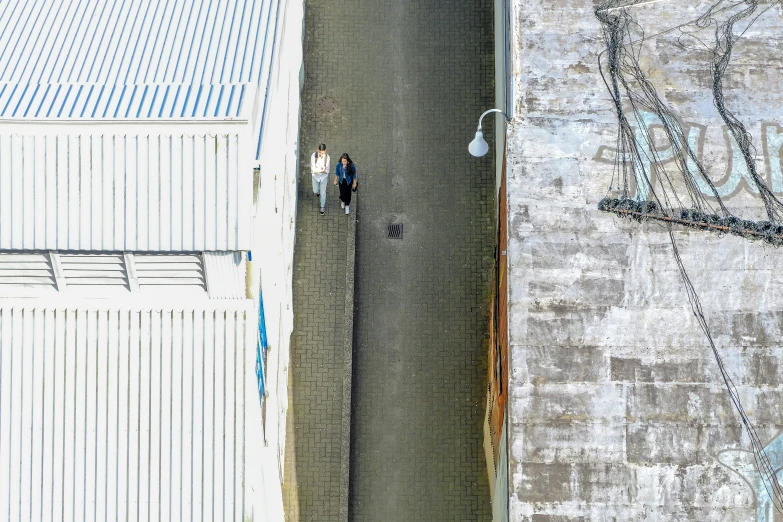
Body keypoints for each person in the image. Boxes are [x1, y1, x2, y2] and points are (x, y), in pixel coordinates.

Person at [311, 144, 330, 215]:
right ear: (318, 150)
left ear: (325, 151)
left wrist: (318, 170)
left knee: (323, 192)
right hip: (315, 177)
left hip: (324, 178)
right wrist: (322, 170)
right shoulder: (313, 156)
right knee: (315, 190)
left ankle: (322, 207)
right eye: (320, 152)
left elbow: (327, 170)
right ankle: (317, 191)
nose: (321, 154)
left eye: (323, 153)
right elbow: (313, 170)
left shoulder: (327, 158)